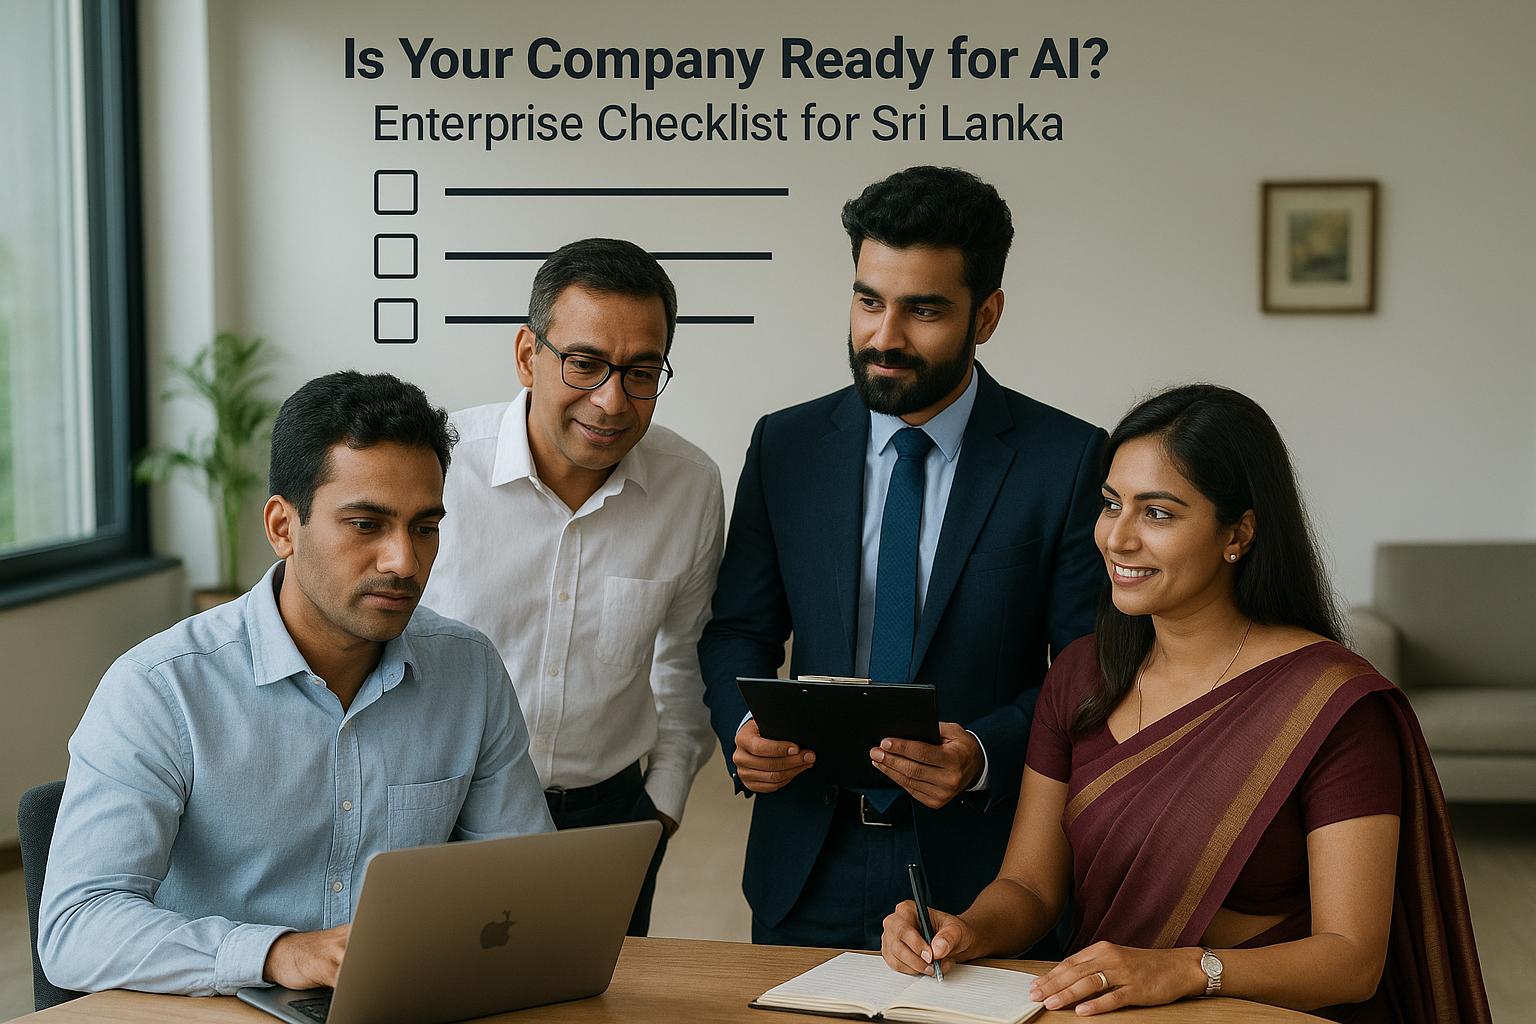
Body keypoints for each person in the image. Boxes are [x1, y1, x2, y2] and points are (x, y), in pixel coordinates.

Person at [880, 384, 1491, 1023]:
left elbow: (1352, 959)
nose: (1117, 539)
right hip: (1100, 1012)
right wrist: (966, 931)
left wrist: (1183, 970)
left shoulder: (1332, 703)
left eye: (1159, 513)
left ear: (1239, 533)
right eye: (1110, 504)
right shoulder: (1082, 674)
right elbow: (1030, 887)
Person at [39, 372, 554, 996]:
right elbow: (75, 927)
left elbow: (528, 890)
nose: (404, 561)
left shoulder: (469, 672)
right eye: (366, 524)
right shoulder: (159, 690)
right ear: (283, 526)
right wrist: (276, 953)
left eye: (424, 527)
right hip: (216, 1010)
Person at [698, 166, 1107, 950]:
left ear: (985, 315)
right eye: (868, 300)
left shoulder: (1069, 460)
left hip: (986, 867)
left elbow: (1087, 665)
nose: (884, 337)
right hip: (804, 859)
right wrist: (745, 725)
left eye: (923, 310)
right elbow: (737, 630)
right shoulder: (783, 446)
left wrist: (984, 751)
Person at [422, 238, 722, 936]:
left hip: (608, 821)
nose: (612, 401)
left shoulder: (690, 485)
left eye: (642, 371)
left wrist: (662, 807)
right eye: (584, 364)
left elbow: (686, 661)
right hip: (445, 814)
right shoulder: (440, 470)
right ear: (529, 356)